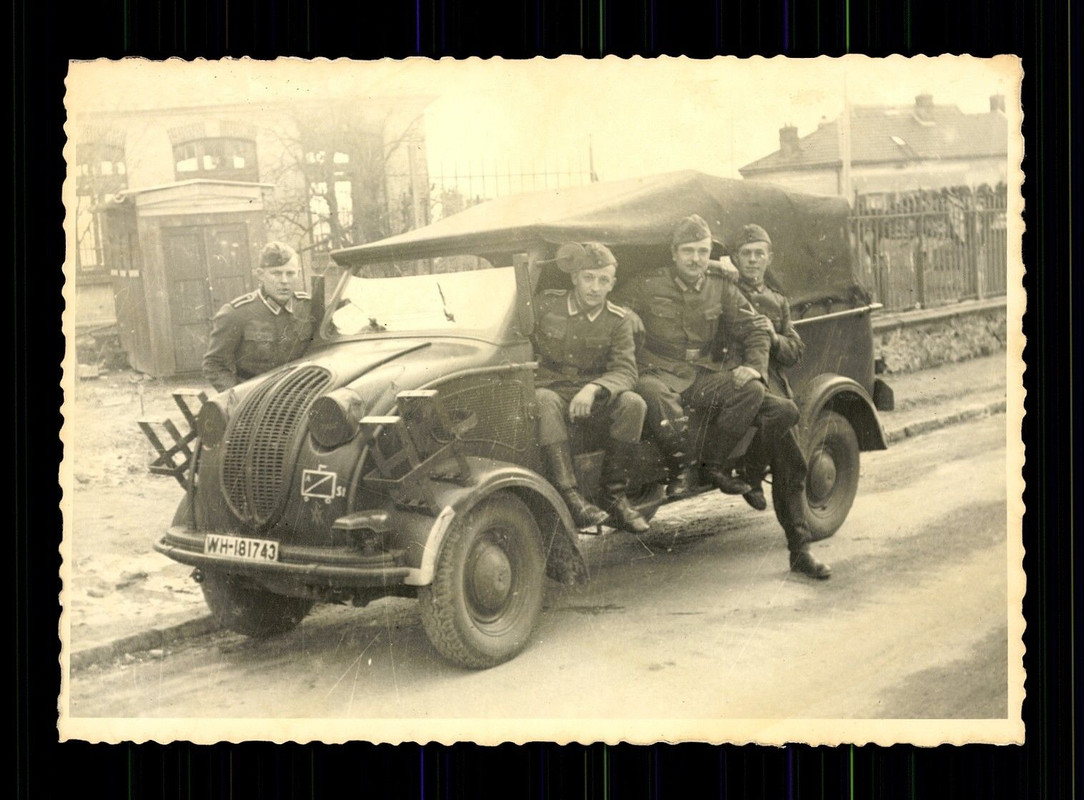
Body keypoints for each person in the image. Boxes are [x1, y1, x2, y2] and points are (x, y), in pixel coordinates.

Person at [614, 214, 770, 498]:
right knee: (653, 393)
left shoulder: (720, 285)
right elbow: (612, 309)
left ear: (710, 254)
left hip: (701, 373)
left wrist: (755, 366)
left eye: (703, 251)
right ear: (674, 253)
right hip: (658, 370)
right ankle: (682, 469)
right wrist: (628, 317)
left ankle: (714, 465)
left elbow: (755, 327)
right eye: (688, 251)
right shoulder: (647, 284)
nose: (695, 259)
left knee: (751, 390)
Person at [730, 224, 832, 580]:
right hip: (739, 382)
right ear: (735, 258)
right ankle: (752, 475)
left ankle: (799, 550)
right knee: (789, 454)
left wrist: (772, 337)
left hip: (773, 385)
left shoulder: (777, 301)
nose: (753, 260)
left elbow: (794, 351)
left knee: (791, 464)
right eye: (746, 254)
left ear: (769, 258)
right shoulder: (726, 292)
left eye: (759, 254)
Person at [532, 242, 650, 534]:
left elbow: (626, 370)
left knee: (633, 404)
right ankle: (570, 496)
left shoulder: (618, 320)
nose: (595, 288)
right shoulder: (545, 305)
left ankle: (614, 496)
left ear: (612, 284)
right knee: (543, 399)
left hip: (593, 394)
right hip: (552, 386)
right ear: (575, 278)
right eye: (588, 278)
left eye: (603, 280)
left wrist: (595, 387)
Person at [202, 241, 315, 392]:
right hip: (257, 398)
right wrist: (239, 396)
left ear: (299, 274)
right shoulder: (236, 313)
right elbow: (214, 364)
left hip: (302, 395)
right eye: (276, 273)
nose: (284, 281)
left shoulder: (309, 307)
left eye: (290, 273)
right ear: (261, 275)